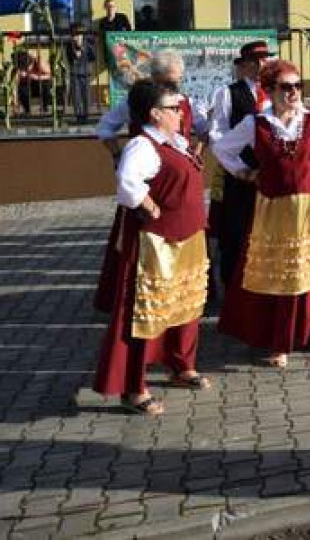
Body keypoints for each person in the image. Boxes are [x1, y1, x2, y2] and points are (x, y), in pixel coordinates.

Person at [213, 60, 310, 367]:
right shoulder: (256, 123)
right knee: (281, 275)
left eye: (297, 86)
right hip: (274, 211)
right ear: (268, 90)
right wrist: (243, 172)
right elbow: (222, 148)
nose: (294, 92)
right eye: (286, 87)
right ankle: (279, 342)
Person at [93, 79, 210, 416]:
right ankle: (133, 388)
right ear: (155, 113)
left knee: (186, 304)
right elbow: (127, 183)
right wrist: (149, 204)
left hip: (188, 236)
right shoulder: (143, 146)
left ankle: (181, 365)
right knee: (145, 314)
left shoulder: (176, 140)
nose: (181, 112)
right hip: (157, 243)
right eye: (174, 108)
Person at [93, 49, 206, 314]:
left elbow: (206, 130)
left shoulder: (185, 103)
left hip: (175, 176)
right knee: (135, 239)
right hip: (148, 180)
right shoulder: (136, 103)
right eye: (167, 82)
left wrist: (195, 153)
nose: (173, 87)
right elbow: (105, 127)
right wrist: (117, 153)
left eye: (176, 82)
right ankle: (126, 296)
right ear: (154, 78)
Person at [206, 40, 274, 291]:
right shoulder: (228, 93)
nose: (261, 65)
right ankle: (233, 282)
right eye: (255, 61)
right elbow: (217, 134)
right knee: (235, 229)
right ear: (243, 66)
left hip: (270, 173)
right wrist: (237, 167)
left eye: (265, 60)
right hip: (240, 173)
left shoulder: (275, 92)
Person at [65, 22, 95, 124]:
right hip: (74, 73)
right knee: (76, 96)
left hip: (86, 72)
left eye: (78, 35)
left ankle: (86, 115)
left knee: (86, 95)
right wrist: (75, 53)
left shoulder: (88, 44)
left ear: (82, 35)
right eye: (74, 35)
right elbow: (69, 58)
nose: (76, 37)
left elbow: (93, 57)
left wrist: (82, 49)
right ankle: (78, 116)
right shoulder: (69, 45)